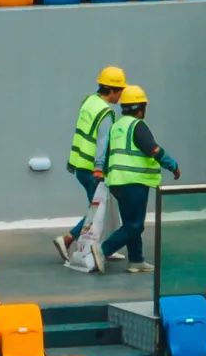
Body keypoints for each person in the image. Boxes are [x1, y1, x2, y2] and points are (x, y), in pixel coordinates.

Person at [98, 84, 180, 274]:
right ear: (140, 108)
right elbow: (153, 149)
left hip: (117, 182)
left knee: (129, 223)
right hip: (134, 182)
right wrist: (172, 165)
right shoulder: (138, 126)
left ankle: (136, 260)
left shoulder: (117, 126)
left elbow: (108, 153)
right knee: (135, 225)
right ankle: (102, 250)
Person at [54, 64, 125, 264]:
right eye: (120, 91)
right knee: (96, 211)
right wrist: (99, 168)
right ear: (111, 90)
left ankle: (104, 248)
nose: (121, 96)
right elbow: (102, 142)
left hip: (80, 165)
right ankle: (68, 239)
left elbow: (81, 134)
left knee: (101, 209)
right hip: (93, 169)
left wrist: (73, 162)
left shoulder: (89, 102)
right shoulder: (105, 113)